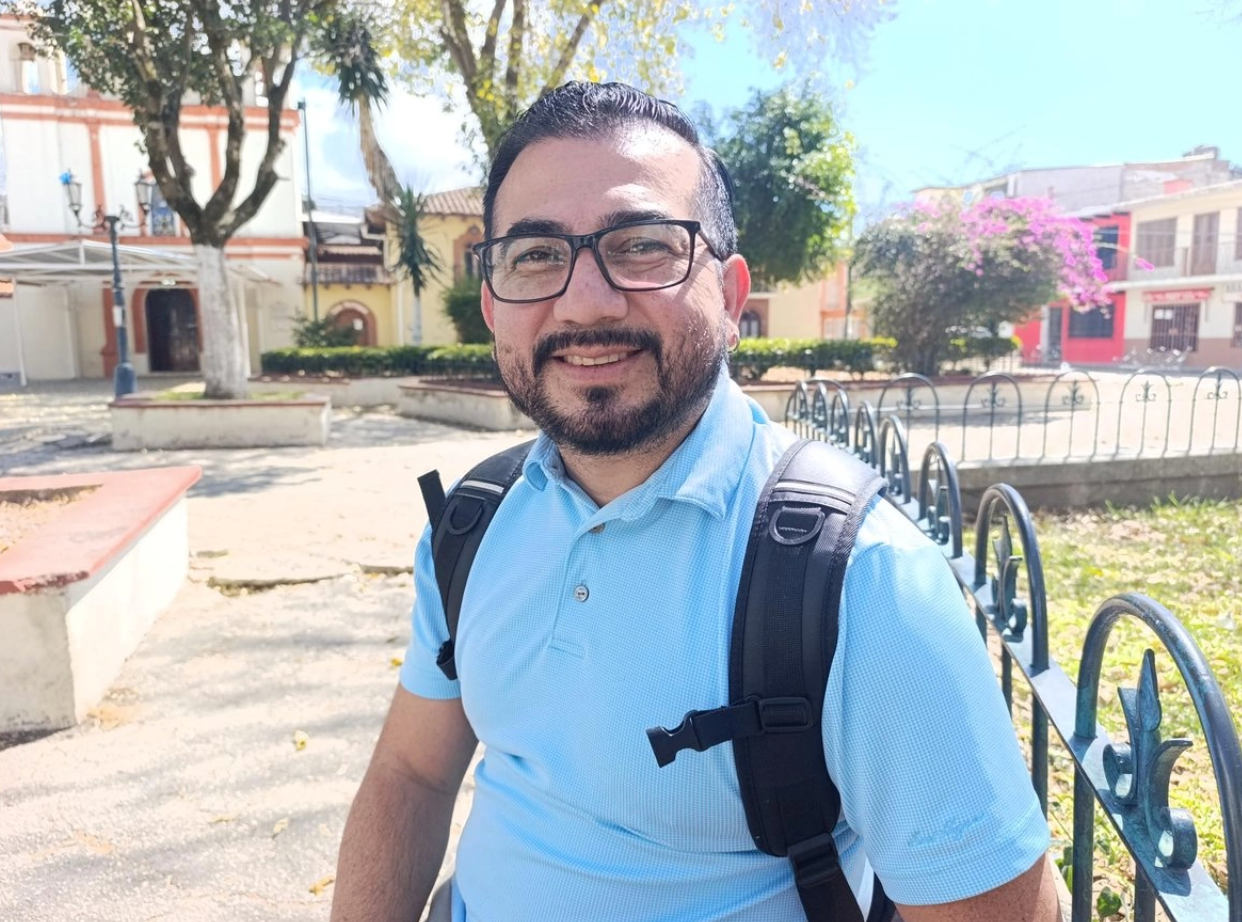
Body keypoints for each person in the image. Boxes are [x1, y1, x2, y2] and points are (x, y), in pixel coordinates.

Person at [331, 81, 1062, 922]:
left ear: (732, 295)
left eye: (643, 246)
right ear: (493, 308)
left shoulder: (864, 580)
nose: (585, 302)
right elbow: (412, 775)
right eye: (535, 256)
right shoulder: (474, 526)